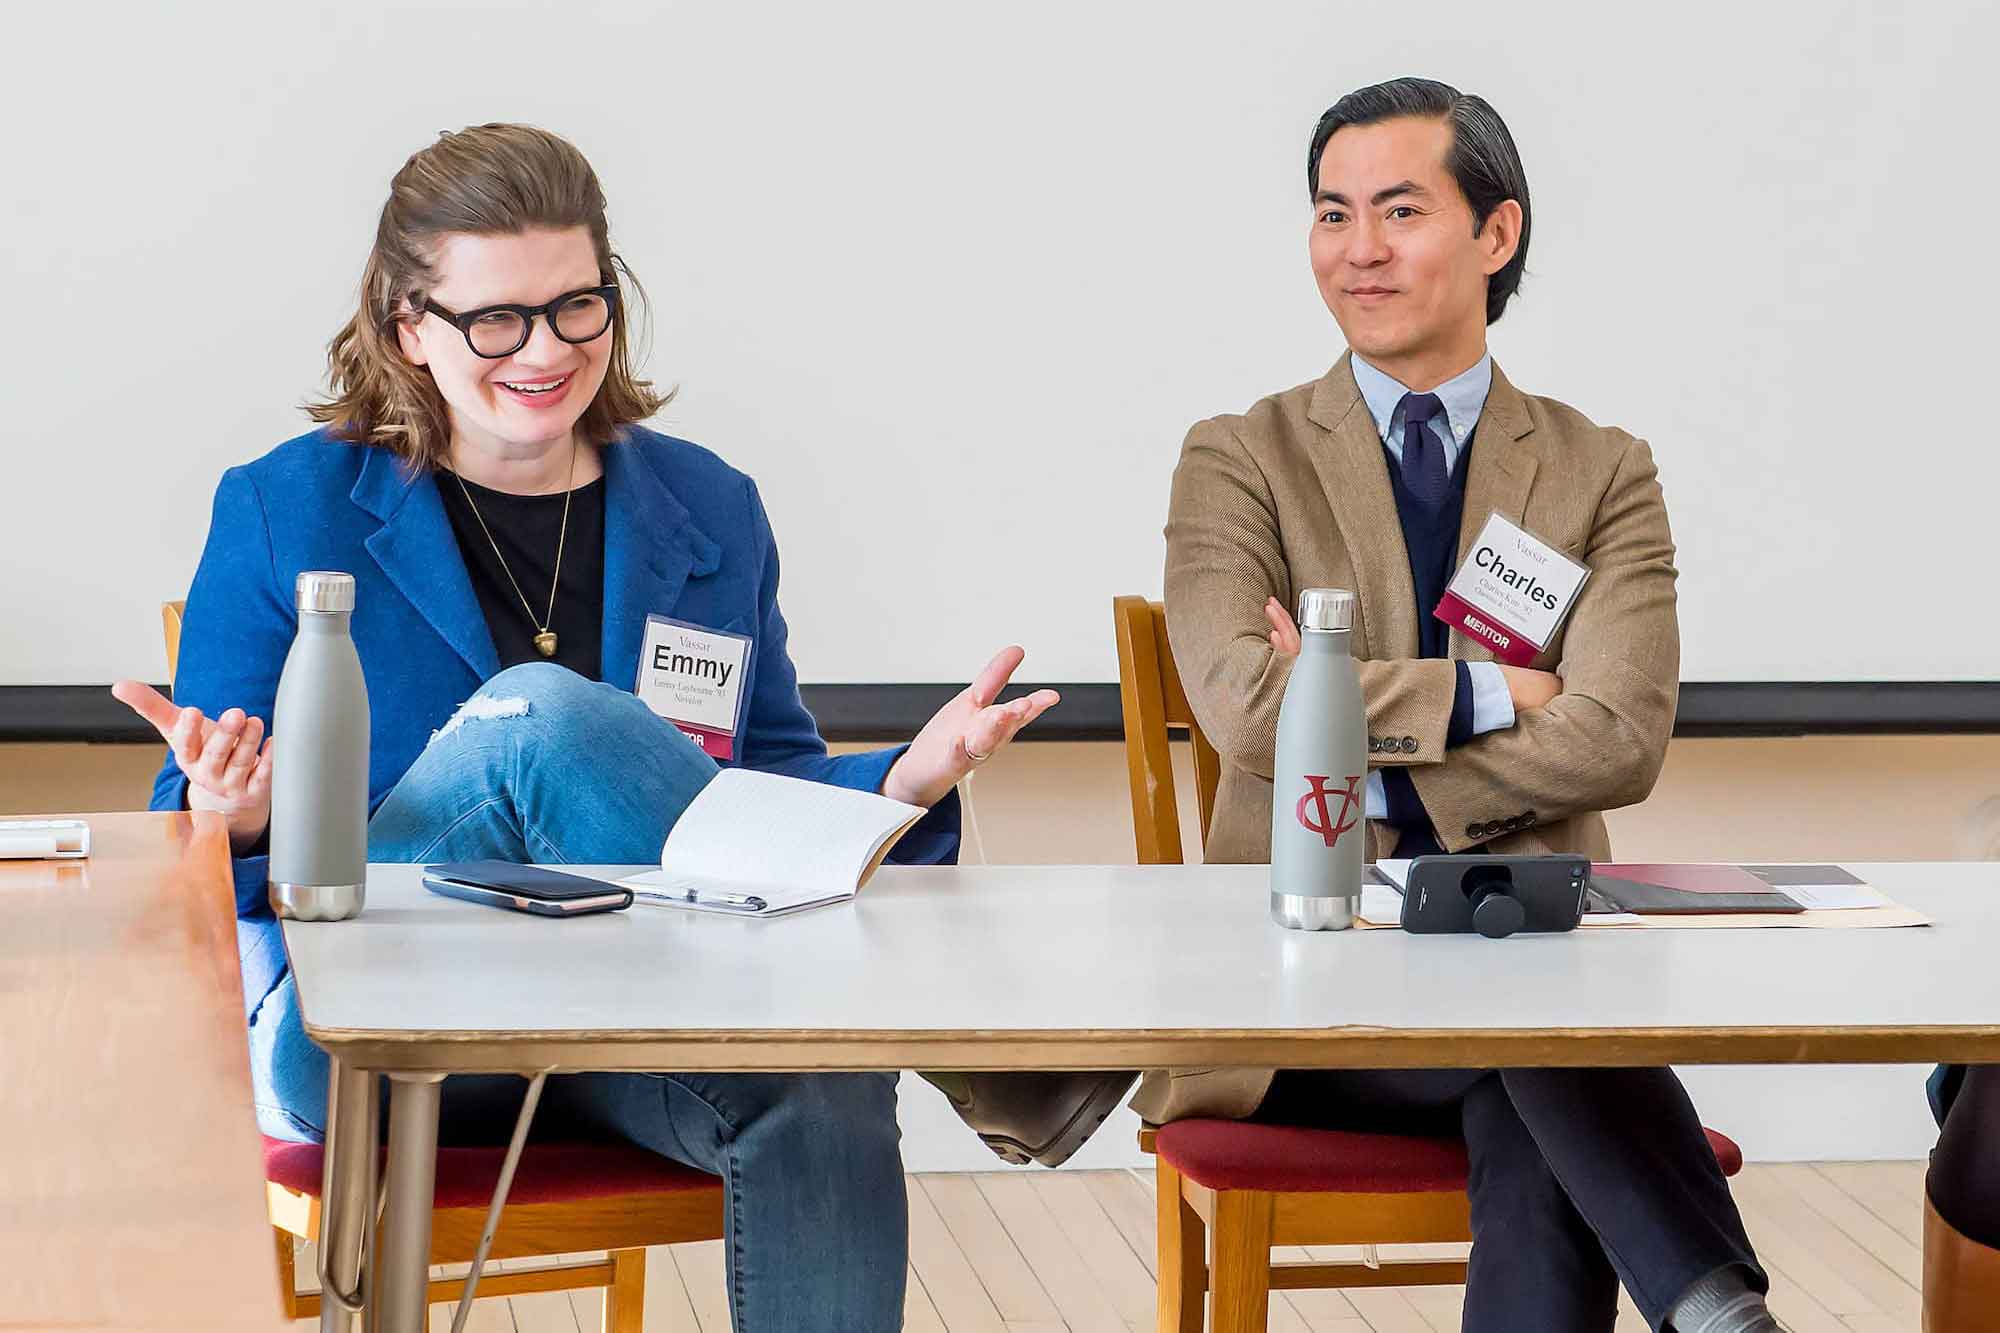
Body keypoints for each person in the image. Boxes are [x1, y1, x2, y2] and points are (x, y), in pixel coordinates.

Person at [113, 123, 1056, 1332]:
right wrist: (236, 812)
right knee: (544, 718)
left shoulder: (706, 506)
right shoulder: (285, 507)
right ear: (409, 326)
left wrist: (909, 779)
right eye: (496, 319)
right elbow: (185, 831)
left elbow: (753, 788)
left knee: (821, 1082)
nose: (546, 350)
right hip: (363, 1014)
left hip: (625, 1010)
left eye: (577, 306)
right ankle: (985, 1053)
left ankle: (911, 1044)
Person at [1149, 79, 1779, 1332]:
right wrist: (1500, 690)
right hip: (1300, 991)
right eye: (1331, 215)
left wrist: (1359, 756)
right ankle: (1718, 1308)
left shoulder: (1600, 469)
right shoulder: (1237, 456)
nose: (1357, 250)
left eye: (1397, 210)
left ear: (1497, 236)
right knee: (1541, 1033)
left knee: (1520, 1053)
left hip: (1514, 959)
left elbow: (1618, 731)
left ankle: (1717, 1313)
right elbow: (1243, 708)